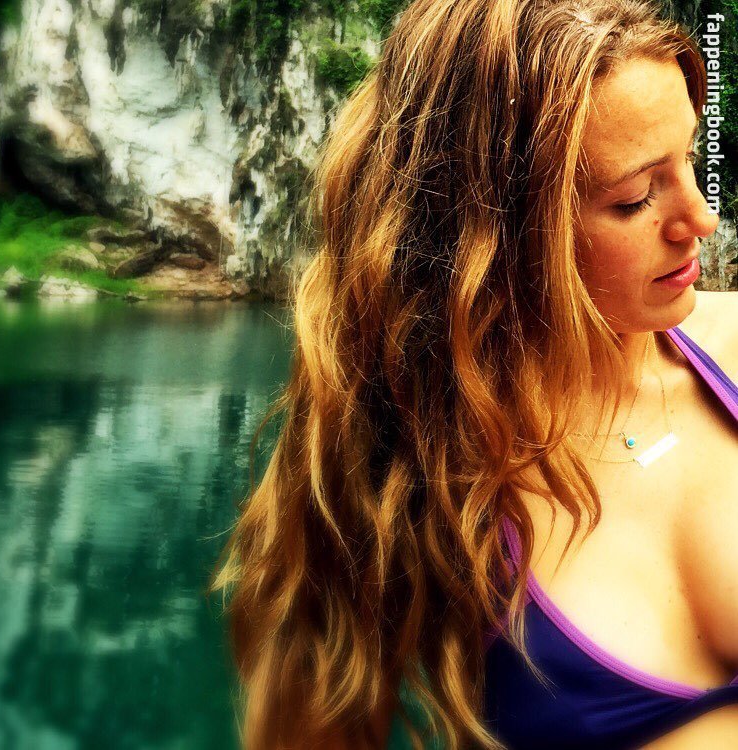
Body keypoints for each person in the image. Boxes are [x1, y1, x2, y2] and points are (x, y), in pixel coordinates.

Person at [210, 1, 738, 748]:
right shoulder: (407, 478)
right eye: (634, 198)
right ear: (498, 232)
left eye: (690, 157)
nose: (701, 218)